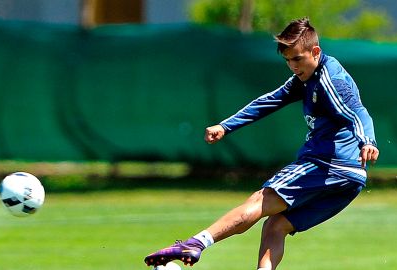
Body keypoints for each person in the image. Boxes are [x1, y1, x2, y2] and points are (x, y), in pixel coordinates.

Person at [144, 17, 379, 270]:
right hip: (350, 178)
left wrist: (368, 140)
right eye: (287, 60)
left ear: (315, 52)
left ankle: (196, 243)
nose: (292, 66)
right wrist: (226, 125)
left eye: (297, 59)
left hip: (326, 164)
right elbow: (269, 101)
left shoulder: (329, 80)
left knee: (259, 200)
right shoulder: (306, 77)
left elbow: (357, 111)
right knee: (276, 226)